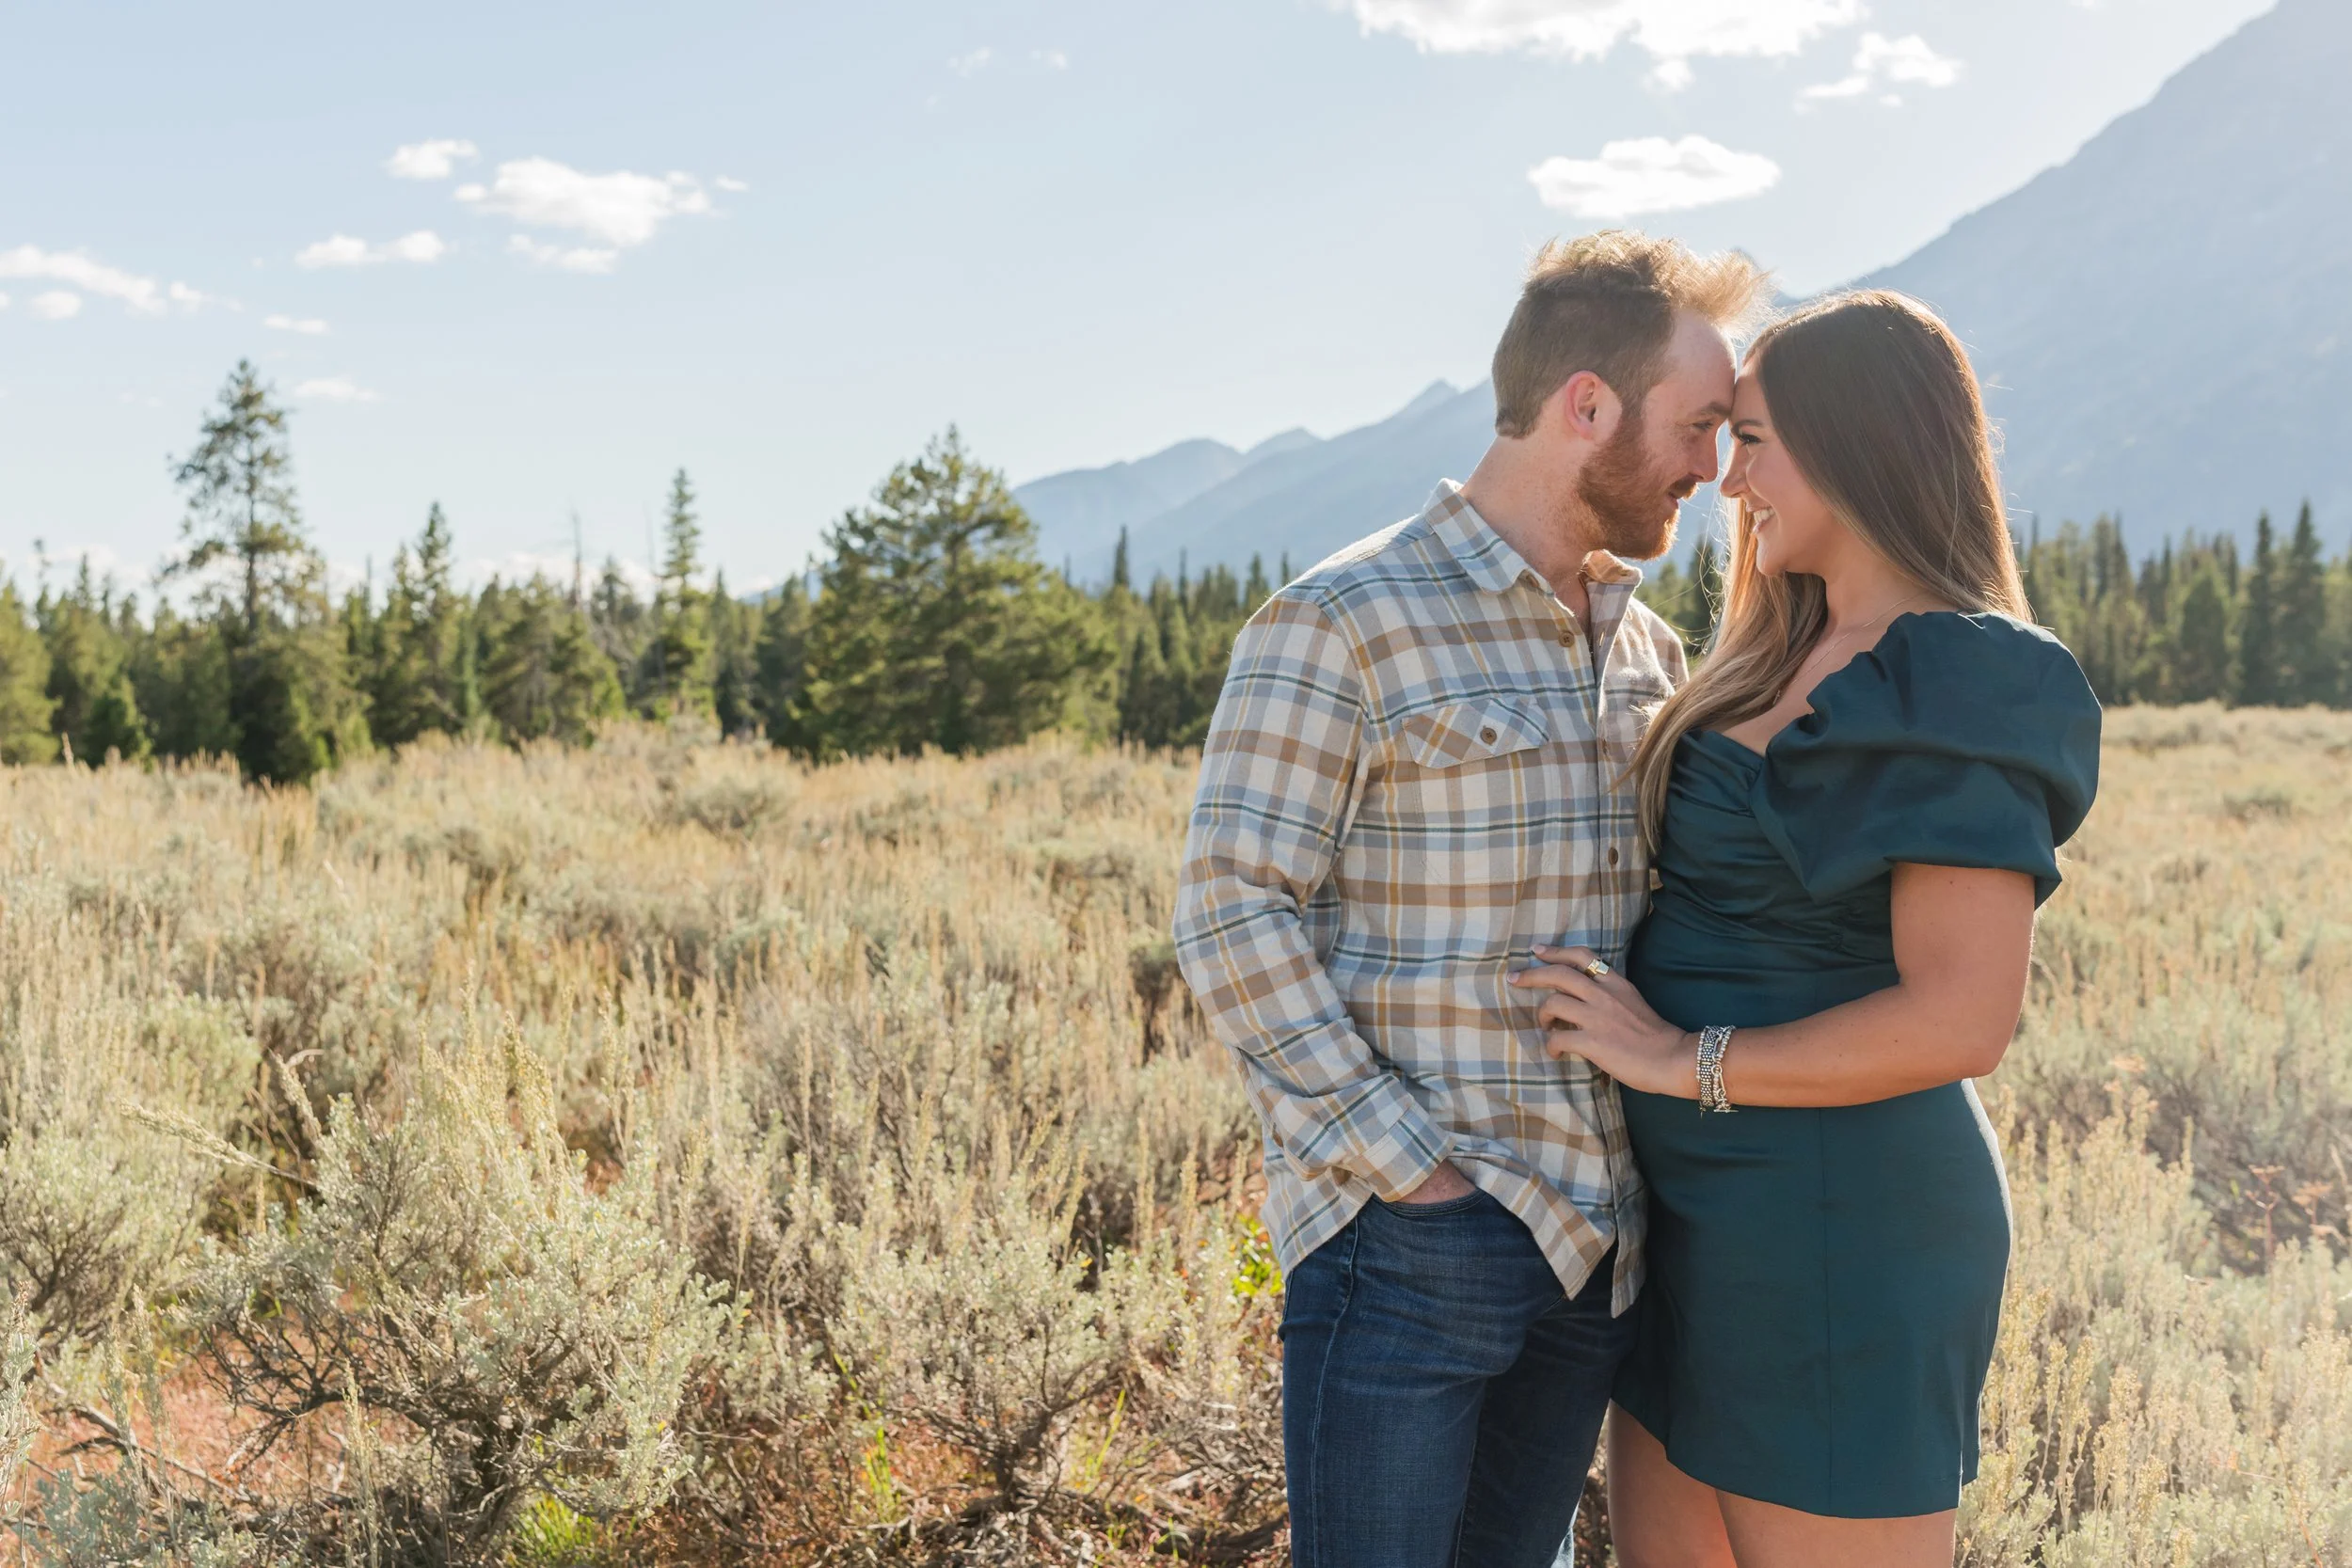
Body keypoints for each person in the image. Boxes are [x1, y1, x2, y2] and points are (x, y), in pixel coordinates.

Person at [1173, 231, 1771, 1568]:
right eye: (1698, 426)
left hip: (1596, 1251)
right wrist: (1413, 1177)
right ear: (1586, 405)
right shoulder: (1343, 618)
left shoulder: (1649, 647)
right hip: (1410, 1246)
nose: (1714, 470)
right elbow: (1230, 907)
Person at [1513, 290, 2102, 1568]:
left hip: (1843, 1227)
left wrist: (1679, 1059)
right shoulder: (1773, 643)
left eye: (1755, 440)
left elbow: (1962, 1018)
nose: (1728, 480)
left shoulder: (1958, 673)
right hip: (1688, 1223)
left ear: (1855, 441)